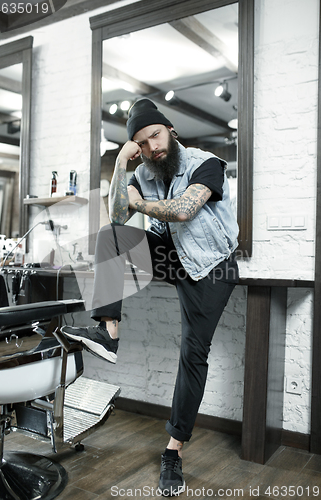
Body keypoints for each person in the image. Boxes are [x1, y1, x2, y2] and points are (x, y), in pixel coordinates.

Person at [62, 98, 239, 496]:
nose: (152, 147)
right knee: (112, 238)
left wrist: (140, 201)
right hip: (173, 255)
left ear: (170, 130)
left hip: (213, 265)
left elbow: (182, 211)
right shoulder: (142, 169)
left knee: (193, 353)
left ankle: (173, 451)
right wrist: (122, 163)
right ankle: (110, 332)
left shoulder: (206, 162)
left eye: (155, 135)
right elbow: (117, 217)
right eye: (142, 143)